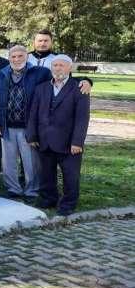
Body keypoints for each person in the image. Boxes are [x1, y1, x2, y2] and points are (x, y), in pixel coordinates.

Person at [26, 55, 90, 215]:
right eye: (55, 65)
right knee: (46, 173)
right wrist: (32, 136)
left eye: (62, 65)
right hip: (45, 140)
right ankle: (48, 199)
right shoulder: (41, 88)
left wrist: (77, 142)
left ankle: (68, 204)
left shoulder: (79, 88)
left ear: (70, 68)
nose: (58, 68)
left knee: (70, 175)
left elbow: (82, 118)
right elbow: (33, 113)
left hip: (68, 142)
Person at [0, 45, 51, 200]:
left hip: (28, 127)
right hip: (7, 127)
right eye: (13, 57)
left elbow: (60, 79)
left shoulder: (40, 73)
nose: (16, 59)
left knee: (31, 162)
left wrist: (85, 81)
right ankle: (13, 189)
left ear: (27, 57)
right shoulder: (1, 75)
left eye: (20, 56)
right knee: (8, 163)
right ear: (9, 58)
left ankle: (32, 191)